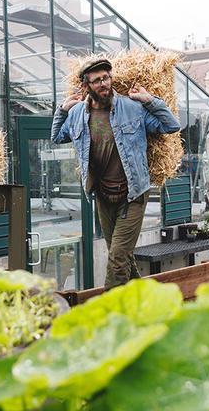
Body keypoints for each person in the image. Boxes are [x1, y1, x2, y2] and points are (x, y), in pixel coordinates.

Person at [51, 57, 180, 288]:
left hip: (132, 195)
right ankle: (142, 300)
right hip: (102, 197)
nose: (104, 84)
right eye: (97, 80)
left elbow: (171, 125)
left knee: (117, 259)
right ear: (85, 86)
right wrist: (62, 110)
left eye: (106, 78)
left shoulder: (133, 108)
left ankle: (110, 313)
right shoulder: (77, 114)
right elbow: (57, 137)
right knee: (122, 258)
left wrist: (149, 100)